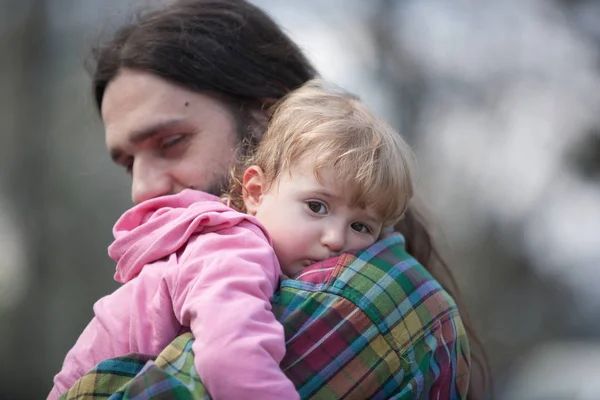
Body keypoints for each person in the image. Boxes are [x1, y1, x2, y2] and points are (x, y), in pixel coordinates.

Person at [53, 0, 489, 398]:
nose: (142, 189)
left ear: (268, 124)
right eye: (129, 162)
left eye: (172, 142)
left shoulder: (352, 297)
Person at [49, 79, 417, 400]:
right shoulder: (234, 246)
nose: (336, 239)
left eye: (361, 227)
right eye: (317, 206)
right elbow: (231, 355)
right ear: (256, 192)